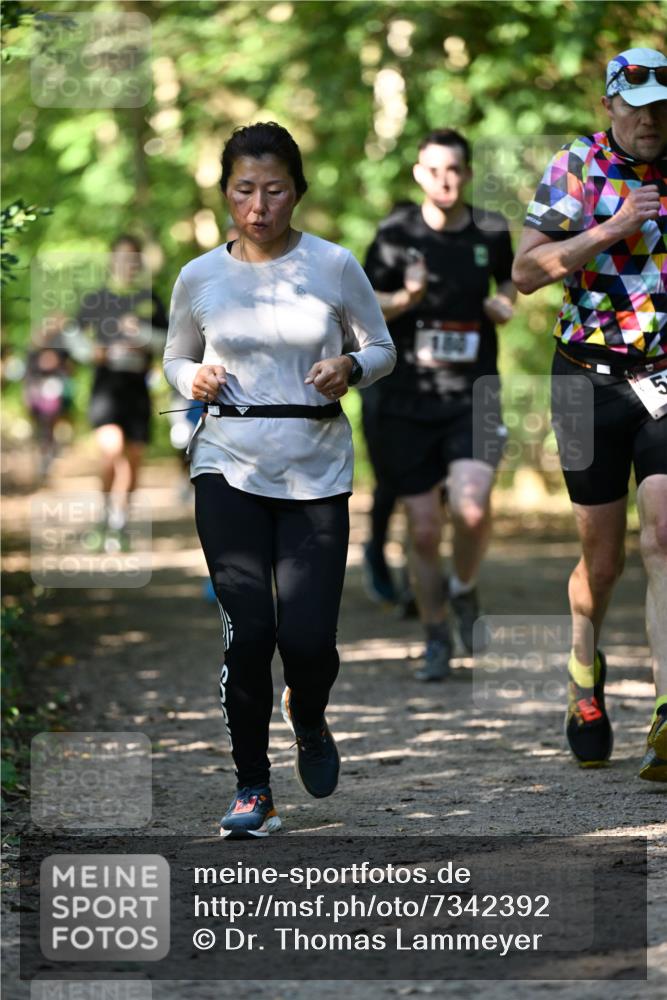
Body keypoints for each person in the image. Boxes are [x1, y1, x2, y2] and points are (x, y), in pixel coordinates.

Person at [163, 122, 395, 838]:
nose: (258, 205)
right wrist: (190, 376)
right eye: (243, 189)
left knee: (308, 641)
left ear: (296, 191)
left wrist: (350, 367)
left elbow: (382, 345)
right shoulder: (199, 276)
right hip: (226, 463)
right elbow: (174, 357)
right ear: (225, 193)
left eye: (273, 189)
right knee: (248, 632)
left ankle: (311, 714)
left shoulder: (333, 265)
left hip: (316, 469)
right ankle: (252, 788)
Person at [512, 47, 667, 782]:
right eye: (635, 106)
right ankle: (584, 671)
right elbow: (523, 273)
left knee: (665, 531)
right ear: (609, 106)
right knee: (600, 562)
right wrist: (610, 229)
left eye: (661, 106)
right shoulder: (577, 167)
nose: (649, 119)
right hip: (585, 379)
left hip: (664, 380)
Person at [363, 129, 516, 680]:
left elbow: (509, 283)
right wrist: (406, 298)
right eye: (433, 170)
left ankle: (464, 587)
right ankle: (435, 636)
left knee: (472, 508)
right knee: (425, 528)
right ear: (418, 175)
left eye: (454, 169)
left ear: (467, 173)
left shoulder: (491, 230)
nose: (444, 179)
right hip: (406, 398)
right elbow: (359, 303)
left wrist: (503, 304)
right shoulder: (394, 232)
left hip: (472, 393)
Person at [77, 235, 168, 549]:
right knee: (112, 450)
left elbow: (168, 341)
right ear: (111, 261)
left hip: (137, 390)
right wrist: (91, 351)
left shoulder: (150, 299)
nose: (127, 264)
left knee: (133, 458)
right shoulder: (98, 299)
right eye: (121, 258)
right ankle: (104, 515)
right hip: (106, 388)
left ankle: (119, 522)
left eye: (133, 258)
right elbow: (73, 334)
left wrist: (140, 334)